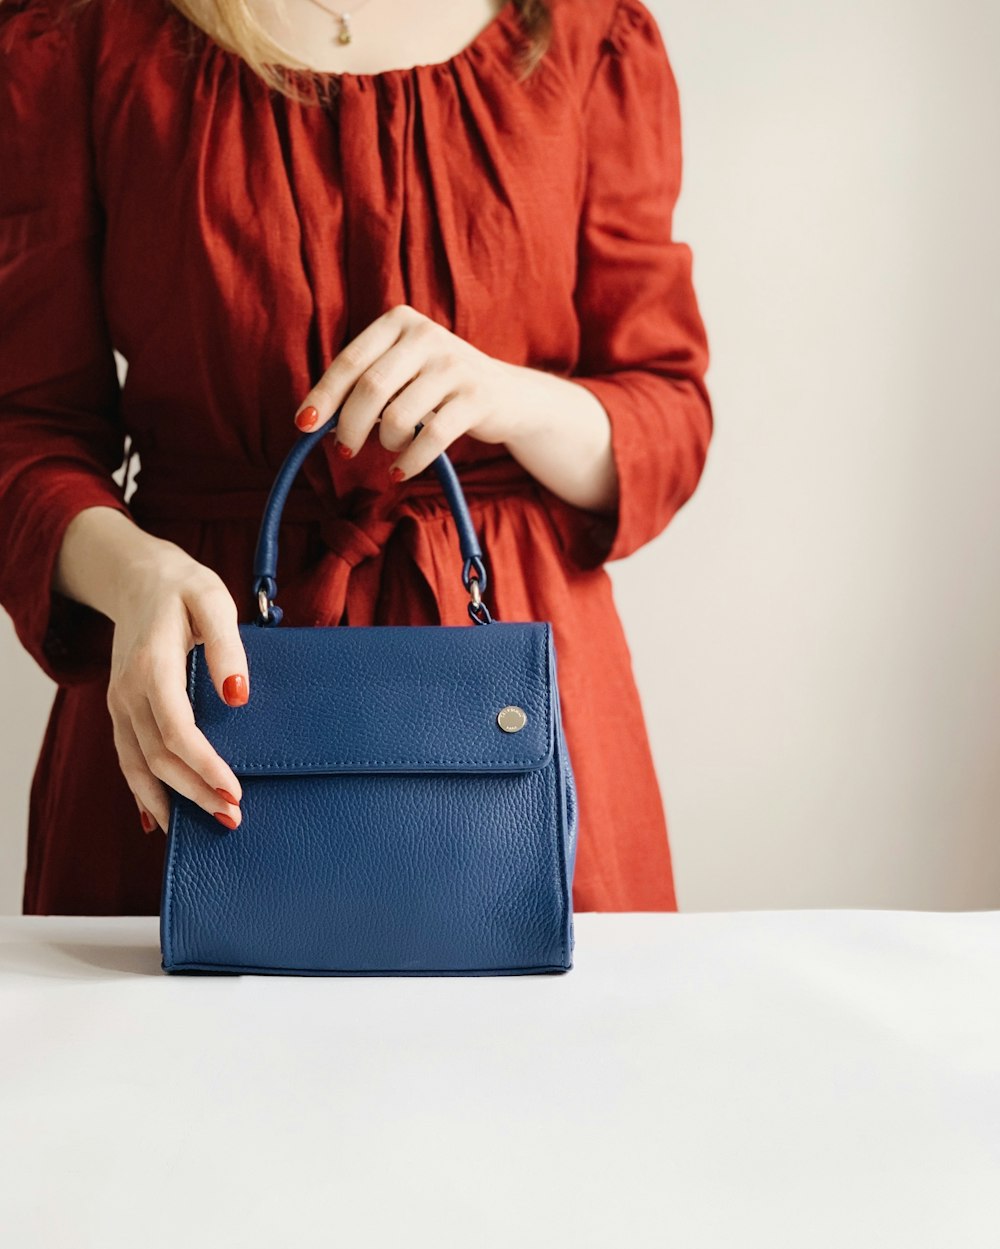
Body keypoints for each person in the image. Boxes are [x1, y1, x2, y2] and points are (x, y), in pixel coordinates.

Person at [0, 0, 713, 915]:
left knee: (546, 1051)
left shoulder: (588, 32)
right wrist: (131, 573)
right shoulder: (81, 32)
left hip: (520, 720)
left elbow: (667, 408)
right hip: (194, 692)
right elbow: (25, 425)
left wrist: (507, 397)